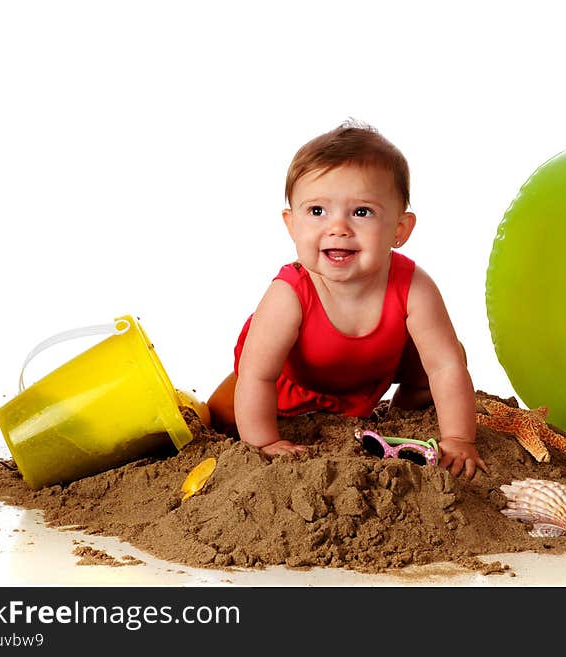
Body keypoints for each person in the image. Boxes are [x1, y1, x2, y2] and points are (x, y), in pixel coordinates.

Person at [207, 120, 487, 479]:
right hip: (291, 381)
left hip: (372, 371)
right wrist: (264, 443)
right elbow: (257, 375)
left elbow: (445, 367)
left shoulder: (414, 286)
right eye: (317, 211)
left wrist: (459, 438)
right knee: (223, 414)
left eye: (361, 212)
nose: (338, 227)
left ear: (399, 230)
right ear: (292, 225)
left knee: (449, 356)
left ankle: (400, 410)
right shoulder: (290, 292)